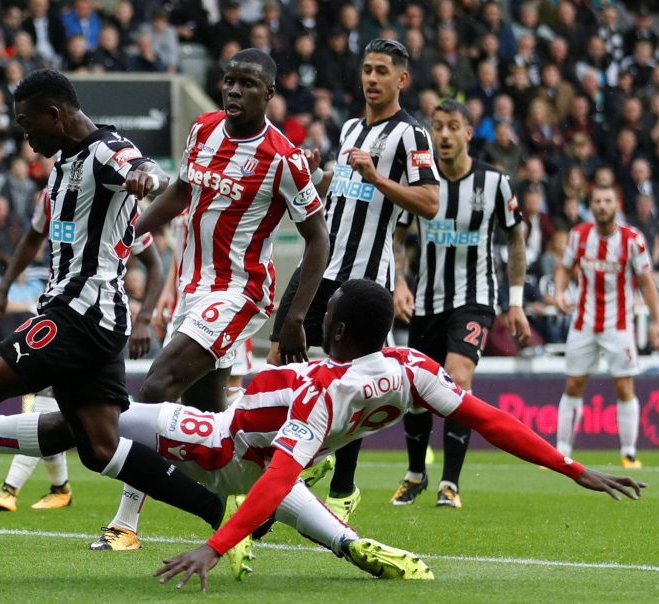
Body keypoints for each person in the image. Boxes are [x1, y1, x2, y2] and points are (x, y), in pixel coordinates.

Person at [0, 279, 646, 587]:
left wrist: (214, 540)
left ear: (335, 329)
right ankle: (354, 547)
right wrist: (573, 468)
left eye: (325, 317)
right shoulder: (411, 369)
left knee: (91, 427)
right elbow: (491, 418)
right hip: (260, 464)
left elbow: (275, 474)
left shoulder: (321, 388)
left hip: (212, 448)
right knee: (276, 488)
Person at [0, 69, 231, 549]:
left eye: (28, 125)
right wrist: (4, 289)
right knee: (101, 450)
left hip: (80, 312)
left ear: (55, 115)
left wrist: (146, 176)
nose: (26, 138)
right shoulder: (62, 168)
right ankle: (222, 512)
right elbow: (35, 235)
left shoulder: (106, 152)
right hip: (94, 317)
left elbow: (144, 166)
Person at [89, 47, 329, 550]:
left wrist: (296, 316)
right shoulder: (203, 129)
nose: (234, 91)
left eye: (246, 84)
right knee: (210, 429)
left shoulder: (284, 158)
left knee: (157, 387)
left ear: (269, 93)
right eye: (229, 81)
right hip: (192, 289)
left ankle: (125, 523)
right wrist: (127, 236)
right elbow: (179, 194)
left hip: (239, 291)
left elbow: (317, 238)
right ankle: (273, 488)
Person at [268, 38, 440, 520]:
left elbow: (430, 201)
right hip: (321, 265)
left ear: (401, 79)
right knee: (282, 357)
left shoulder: (411, 136)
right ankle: (302, 459)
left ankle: (342, 489)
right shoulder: (347, 129)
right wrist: (313, 175)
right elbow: (338, 194)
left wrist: (378, 179)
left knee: (356, 381)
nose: (372, 78)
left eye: (382, 70)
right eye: (367, 69)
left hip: (366, 277)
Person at [389, 100, 530, 508]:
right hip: (427, 302)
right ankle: (416, 473)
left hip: (476, 298)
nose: (445, 135)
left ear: (469, 133)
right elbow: (396, 236)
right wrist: (399, 282)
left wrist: (516, 302)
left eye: (453, 126)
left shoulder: (495, 184)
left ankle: (450, 484)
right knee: (416, 392)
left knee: (457, 378)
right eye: (438, 127)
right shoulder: (420, 183)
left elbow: (515, 240)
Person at [0, 231, 165, 515]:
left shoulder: (118, 215)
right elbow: (33, 237)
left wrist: (144, 316)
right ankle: (43, 488)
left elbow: (152, 259)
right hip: (60, 322)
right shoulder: (62, 206)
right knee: (44, 417)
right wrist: (3, 289)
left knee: (82, 433)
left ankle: (35, 488)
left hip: (98, 330)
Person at [554, 186, 659, 468]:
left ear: (616, 204)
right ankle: (561, 452)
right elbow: (564, 267)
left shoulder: (632, 239)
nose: (602, 206)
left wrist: (657, 322)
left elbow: (645, 281)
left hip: (619, 325)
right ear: (590, 205)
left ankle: (628, 453)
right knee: (573, 383)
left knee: (623, 386)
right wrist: (559, 293)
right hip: (583, 322)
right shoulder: (579, 235)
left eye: (607, 201)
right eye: (597, 201)